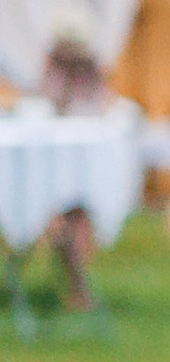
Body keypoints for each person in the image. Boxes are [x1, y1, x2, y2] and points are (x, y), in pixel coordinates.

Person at [38, 26, 110, 311]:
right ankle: (76, 285)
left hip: (74, 174)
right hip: (61, 171)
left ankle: (77, 285)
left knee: (74, 214)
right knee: (70, 215)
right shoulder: (57, 82)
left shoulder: (91, 88)